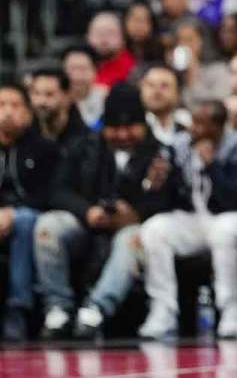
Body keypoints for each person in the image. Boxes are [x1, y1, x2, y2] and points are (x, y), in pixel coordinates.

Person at [35, 83, 184, 339]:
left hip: (132, 229)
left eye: (130, 127)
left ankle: (96, 309)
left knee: (133, 238)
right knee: (48, 226)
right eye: (115, 128)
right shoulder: (83, 147)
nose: (123, 135)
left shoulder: (160, 152)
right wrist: (87, 211)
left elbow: (170, 199)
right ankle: (57, 306)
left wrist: (135, 213)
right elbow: (57, 190)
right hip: (86, 226)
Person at [134, 101, 237, 339]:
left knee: (223, 231)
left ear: (219, 126)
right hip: (194, 220)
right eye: (194, 123)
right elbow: (162, 199)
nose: (194, 130)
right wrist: (156, 182)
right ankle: (163, 309)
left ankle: (231, 309)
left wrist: (212, 165)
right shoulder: (179, 146)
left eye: (202, 125)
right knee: (155, 229)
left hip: (228, 218)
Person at [0, 83, 60, 341]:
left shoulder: (45, 148)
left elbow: (50, 194)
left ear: (28, 113)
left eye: (15, 105)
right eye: (1, 105)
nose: (8, 112)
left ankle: (18, 308)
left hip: (32, 217)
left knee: (23, 222)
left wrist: (11, 213)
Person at [29, 67, 90, 148]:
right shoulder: (22, 136)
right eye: (36, 93)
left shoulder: (87, 141)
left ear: (67, 96)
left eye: (49, 94)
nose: (41, 101)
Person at [139, 64, 191, 145]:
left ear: (178, 92)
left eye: (164, 86)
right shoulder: (130, 132)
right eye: (151, 85)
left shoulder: (189, 129)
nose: (157, 91)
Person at [62, 45, 107, 128]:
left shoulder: (106, 97)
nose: (77, 76)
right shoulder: (58, 99)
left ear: (95, 71)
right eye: (72, 69)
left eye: (83, 69)